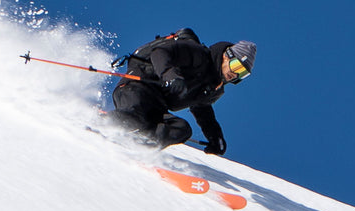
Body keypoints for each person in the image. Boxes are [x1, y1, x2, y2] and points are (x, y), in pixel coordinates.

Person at [108, 35, 256, 153]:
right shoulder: (198, 55)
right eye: (236, 66)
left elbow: (203, 112)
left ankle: (142, 149)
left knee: (181, 128)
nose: (235, 74)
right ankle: (97, 124)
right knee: (133, 117)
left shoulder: (211, 88)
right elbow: (160, 52)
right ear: (226, 56)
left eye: (242, 73)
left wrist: (215, 137)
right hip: (136, 88)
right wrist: (170, 75)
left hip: (157, 106)